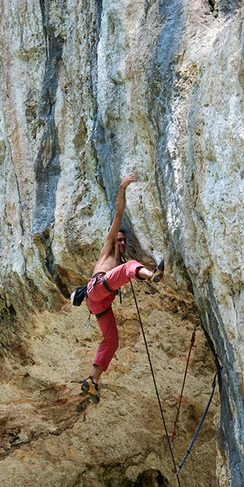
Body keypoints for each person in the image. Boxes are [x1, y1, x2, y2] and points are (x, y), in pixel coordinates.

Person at [75, 173, 164, 404]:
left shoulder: (120, 260)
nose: (122, 243)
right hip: (97, 289)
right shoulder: (108, 248)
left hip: (100, 304)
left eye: (124, 241)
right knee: (130, 268)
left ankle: (92, 382)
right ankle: (153, 274)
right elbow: (118, 214)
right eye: (120, 239)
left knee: (112, 340)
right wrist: (122, 187)